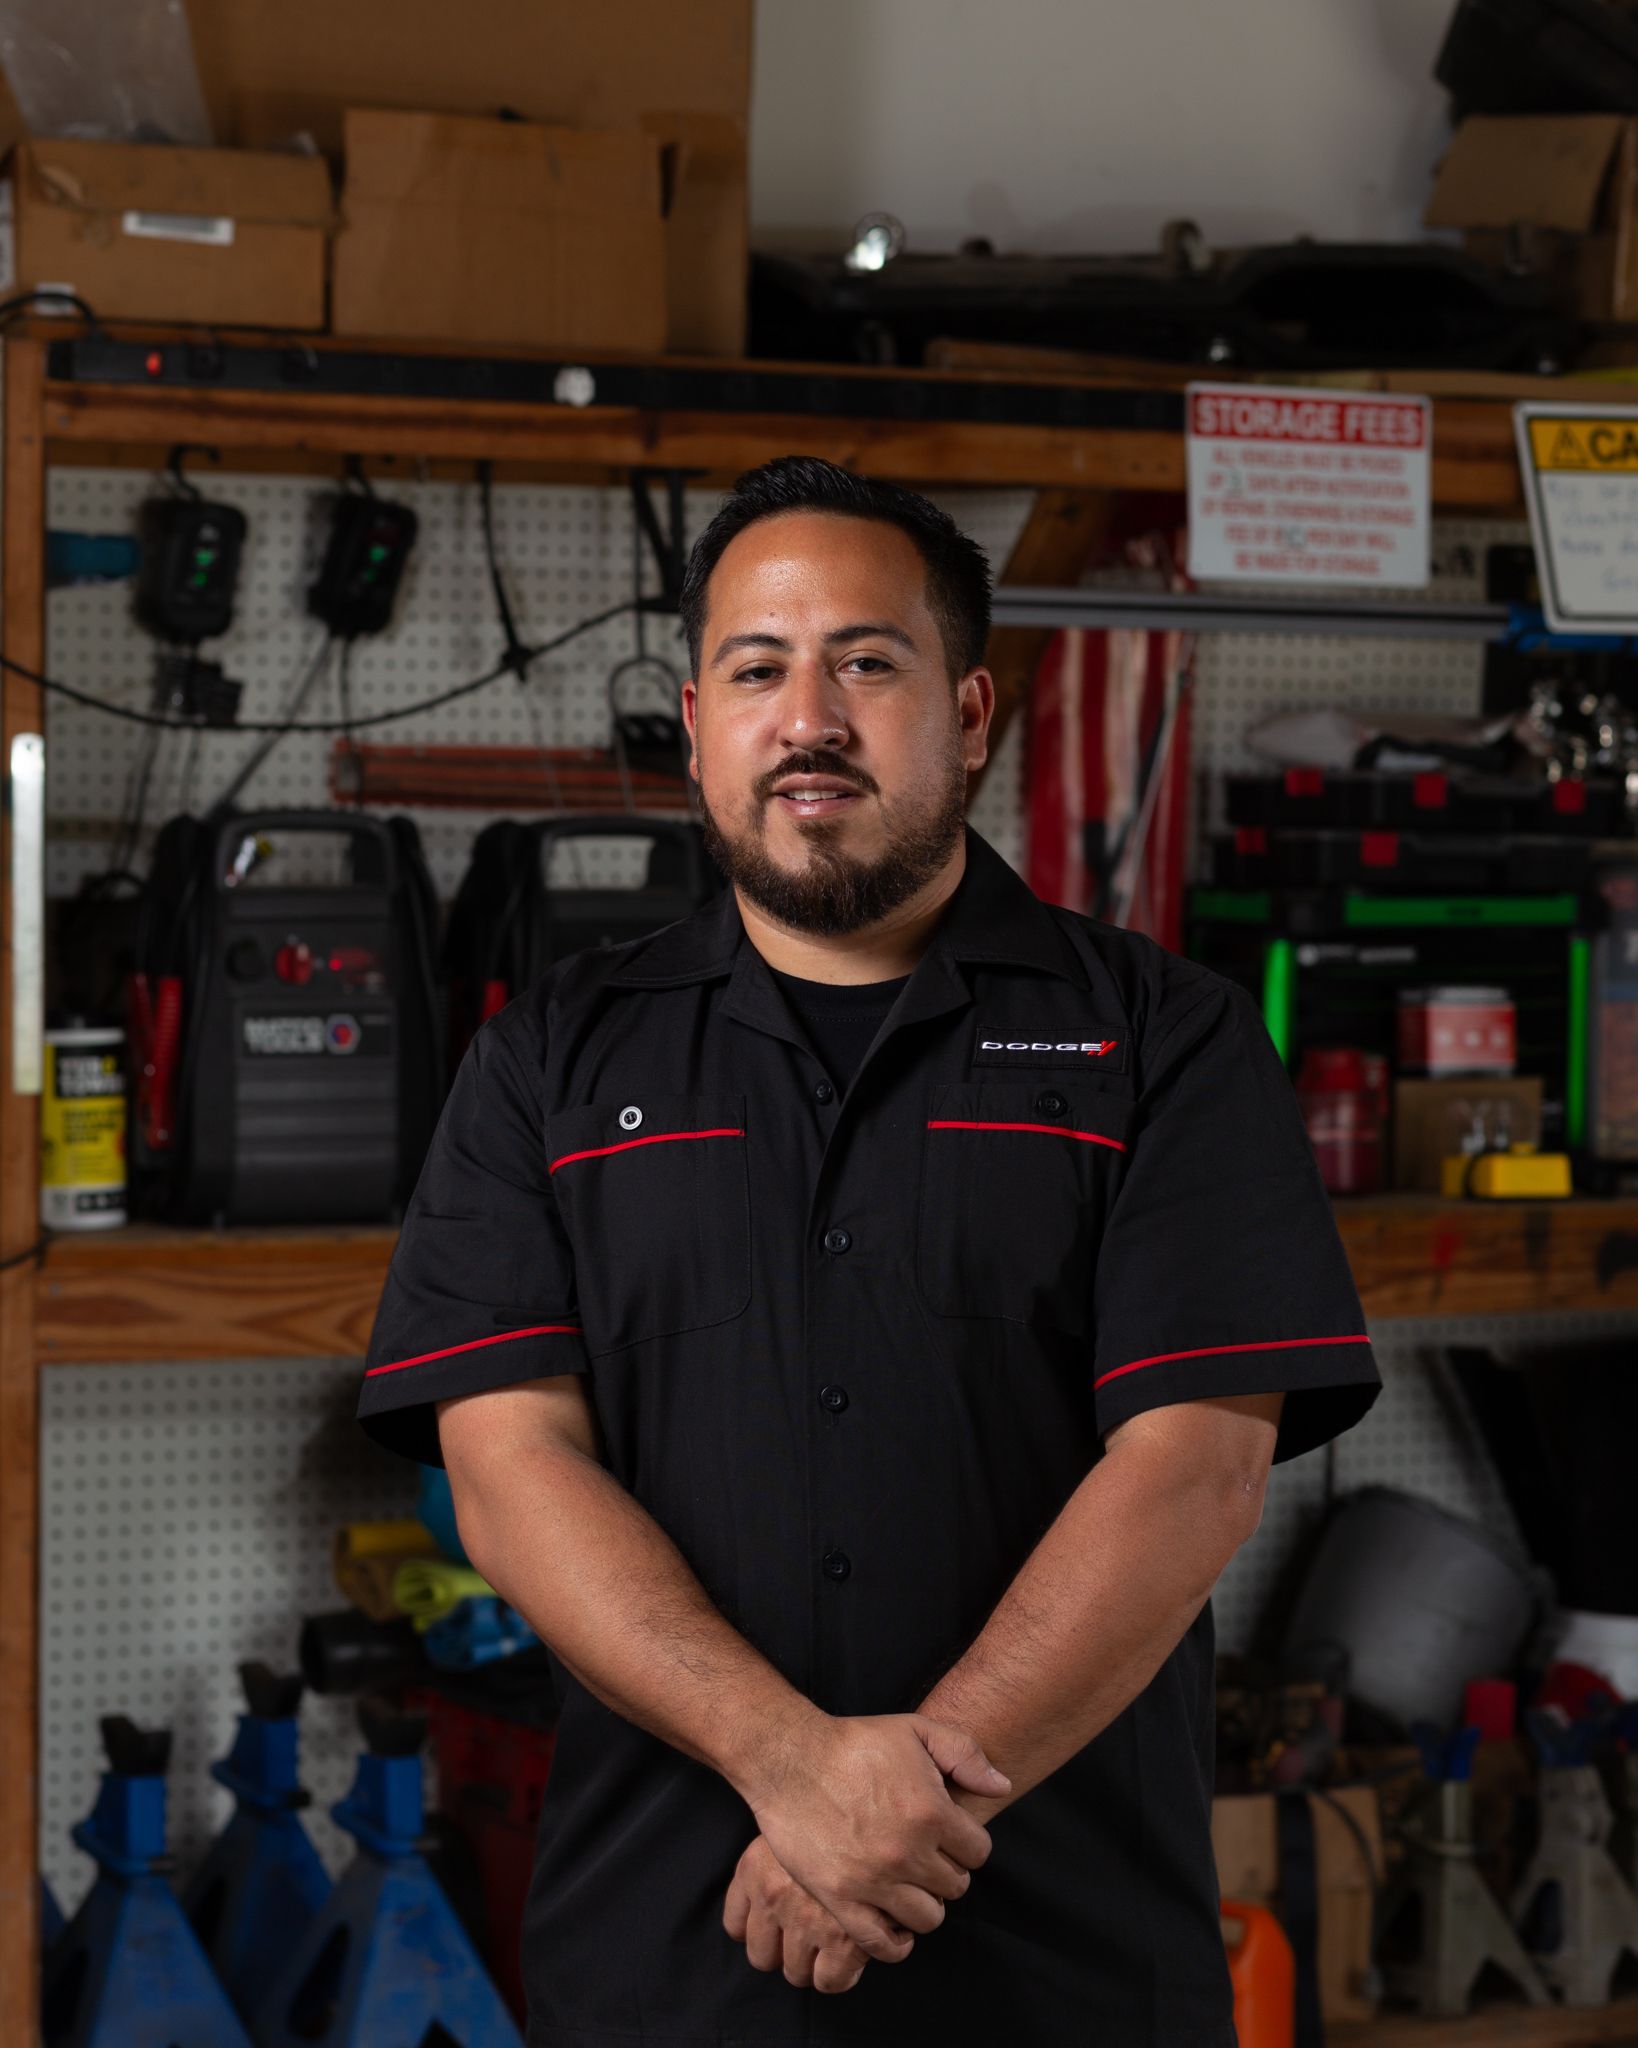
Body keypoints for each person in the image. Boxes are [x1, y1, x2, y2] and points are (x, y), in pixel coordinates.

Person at [356, 456, 1381, 2046]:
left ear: (970, 715)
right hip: (667, 1958)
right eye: (755, 669)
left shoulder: (1159, 1041)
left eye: (866, 662)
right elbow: (508, 1470)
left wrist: (890, 1804)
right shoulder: (549, 1060)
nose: (807, 715)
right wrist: (790, 1764)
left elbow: (1191, 1469)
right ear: (696, 725)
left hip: (1064, 1962)